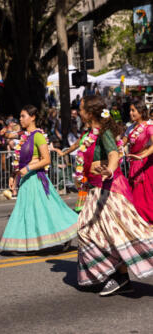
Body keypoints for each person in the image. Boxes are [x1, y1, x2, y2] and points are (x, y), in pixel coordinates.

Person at [76, 95, 153, 296]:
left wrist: (110, 170)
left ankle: (120, 276)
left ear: (90, 112)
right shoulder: (90, 133)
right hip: (96, 189)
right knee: (90, 232)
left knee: (127, 233)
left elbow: (113, 154)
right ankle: (120, 275)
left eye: (81, 108)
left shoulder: (104, 132)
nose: (79, 111)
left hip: (109, 189)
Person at [0, 105, 78, 253]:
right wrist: (13, 175)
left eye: (23, 116)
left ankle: (65, 232)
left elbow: (46, 159)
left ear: (33, 117)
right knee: (28, 212)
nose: (20, 119)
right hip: (25, 180)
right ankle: (30, 242)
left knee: (46, 210)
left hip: (36, 179)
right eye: (20, 117)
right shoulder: (24, 135)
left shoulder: (38, 136)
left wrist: (28, 168)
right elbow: (11, 138)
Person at [124, 99, 153, 223]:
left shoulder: (149, 126)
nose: (130, 113)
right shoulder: (130, 128)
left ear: (141, 111)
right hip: (134, 164)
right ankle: (138, 223)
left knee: (146, 195)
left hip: (146, 164)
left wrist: (142, 156)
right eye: (130, 110)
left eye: (133, 110)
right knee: (135, 195)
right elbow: (121, 143)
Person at [52, 123, 91, 213]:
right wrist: (64, 153)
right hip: (83, 166)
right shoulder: (85, 133)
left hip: (93, 167)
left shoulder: (98, 132)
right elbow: (75, 145)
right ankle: (83, 209)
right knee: (82, 185)